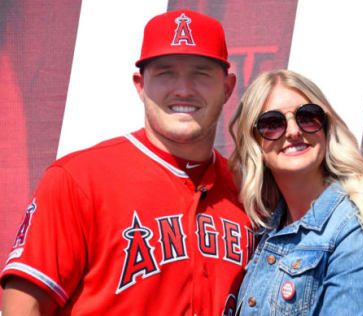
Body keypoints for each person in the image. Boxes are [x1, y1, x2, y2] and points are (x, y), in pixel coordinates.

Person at [1, 9, 254, 315]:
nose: (183, 89)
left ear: (227, 87)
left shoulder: (247, 192)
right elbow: (22, 308)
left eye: (201, 73)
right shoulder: (77, 180)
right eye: (165, 73)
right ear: (140, 84)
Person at [229, 69, 363, 315]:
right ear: (256, 144)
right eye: (272, 123)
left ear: (325, 128)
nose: (293, 131)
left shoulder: (362, 227)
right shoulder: (264, 228)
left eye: (307, 117)